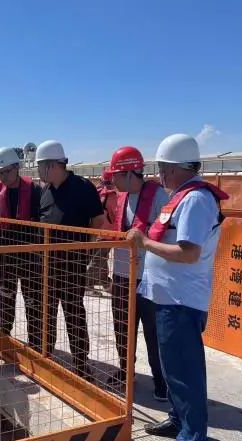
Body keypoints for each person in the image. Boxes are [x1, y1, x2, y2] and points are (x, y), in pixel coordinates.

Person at [128, 134, 229, 441]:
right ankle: (178, 420)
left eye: (162, 169)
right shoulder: (182, 197)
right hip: (167, 297)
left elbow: (188, 253)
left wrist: (144, 243)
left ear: (174, 168)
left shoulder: (196, 200)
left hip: (181, 301)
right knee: (172, 368)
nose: (160, 175)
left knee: (185, 371)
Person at [36, 140, 105, 380]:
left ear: (53, 165)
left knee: (74, 312)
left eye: (40, 166)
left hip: (72, 264)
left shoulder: (83, 188)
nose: (38, 171)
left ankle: (81, 363)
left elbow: (98, 220)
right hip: (47, 263)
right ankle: (46, 354)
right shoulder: (45, 191)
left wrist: (85, 249)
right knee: (47, 311)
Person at [106, 146, 169, 402]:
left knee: (153, 332)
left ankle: (161, 381)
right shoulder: (122, 197)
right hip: (122, 274)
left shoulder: (159, 197)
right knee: (122, 327)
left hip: (149, 277)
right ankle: (126, 371)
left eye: (116, 175)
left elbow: (166, 235)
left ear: (131, 173)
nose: (113, 180)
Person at [0, 147, 43, 348]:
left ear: (17, 167)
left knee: (33, 301)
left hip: (30, 257)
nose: (3, 176)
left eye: (7, 171)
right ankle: (5, 335)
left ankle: (35, 342)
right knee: (5, 297)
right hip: (5, 257)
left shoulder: (35, 191)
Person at [85, 170, 116, 295]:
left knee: (101, 259)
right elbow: (116, 215)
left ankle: (105, 283)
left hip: (96, 231)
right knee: (98, 260)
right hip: (107, 233)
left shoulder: (96, 191)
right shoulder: (112, 195)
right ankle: (87, 285)